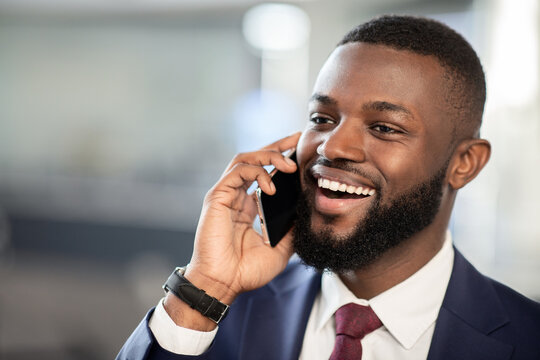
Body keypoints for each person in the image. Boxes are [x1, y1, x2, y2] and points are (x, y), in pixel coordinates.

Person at [117, 15, 540, 360]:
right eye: (321, 119)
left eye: (384, 127)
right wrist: (205, 289)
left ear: (464, 164)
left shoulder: (526, 338)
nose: (333, 145)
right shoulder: (217, 310)